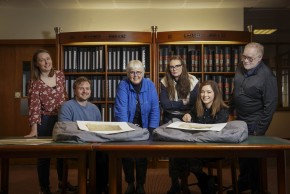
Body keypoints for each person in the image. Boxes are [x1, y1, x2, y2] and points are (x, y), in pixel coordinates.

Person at [228, 42, 278, 194]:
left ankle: (257, 189)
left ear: (259, 58)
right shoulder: (240, 66)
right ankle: (243, 183)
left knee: (254, 159)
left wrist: (260, 129)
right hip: (239, 119)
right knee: (241, 156)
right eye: (243, 56)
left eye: (249, 58)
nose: (245, 61)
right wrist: (230, 111)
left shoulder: (267, 76)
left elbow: (270, 106)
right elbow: (235, 91)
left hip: (255, 122)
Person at [25, 49, 76, 194]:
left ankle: (63, 183)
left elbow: (65, 97)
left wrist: (70, 118)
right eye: (42, 60)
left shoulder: (60, 75)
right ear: (36, 63)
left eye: (48, 58)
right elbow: (33, 106)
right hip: (45, 120)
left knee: (62, 153)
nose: (46, 62)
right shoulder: (34, 82)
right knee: (44, 156)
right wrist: (34, 129)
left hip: (62, 118)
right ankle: (44, 188)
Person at [114, 60, 160, 194]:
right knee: (127, 156)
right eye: (132, 72)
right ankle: (130, 183)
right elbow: (121, 109)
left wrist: (152, 128)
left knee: (141, 157)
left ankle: (140, 185)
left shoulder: (149, 85)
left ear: (143, 73)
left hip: (145, 127)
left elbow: (155, 109)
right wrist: (126, 129)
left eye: (138, 72)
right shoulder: (123, 85)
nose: (135, 75)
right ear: (128, 73)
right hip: (127, 125)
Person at [58, 76, 108, 194]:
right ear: (74, 90)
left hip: (92, 145)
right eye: (81, 88)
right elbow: (65, 130)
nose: (85, 91)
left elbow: (99, 130)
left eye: (87, 88)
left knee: (107, 154)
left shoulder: (95, 108)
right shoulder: (67, 106)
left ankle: (100, 187)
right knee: (97, 156)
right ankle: (93, 188)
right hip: (74, 145)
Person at [160, 56, 199, 194]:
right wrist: (182, 103)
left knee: (185, 152)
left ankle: (185, 183)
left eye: (177, 66)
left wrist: (178, 106)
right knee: (173, 153)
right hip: (170, 118)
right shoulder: (164, 81)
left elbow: (194, 104)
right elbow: (164, 104)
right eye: (171, 67)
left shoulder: (193, 80)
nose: (174, 69)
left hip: (187, 118)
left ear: (182, 67)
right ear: (168, 68)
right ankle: (174, 183)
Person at [182, 80, 229, 194]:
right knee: (179, 154)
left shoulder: (222, 111)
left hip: (214, 149)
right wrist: (187, 116)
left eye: (209, 92)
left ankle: (204, 182)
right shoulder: (198, 108)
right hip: (198, 147)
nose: (205, 95)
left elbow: (215, 133)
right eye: (202, 92)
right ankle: (205, 180)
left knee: (186, 157)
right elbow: (189, 118)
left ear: (215, 94)